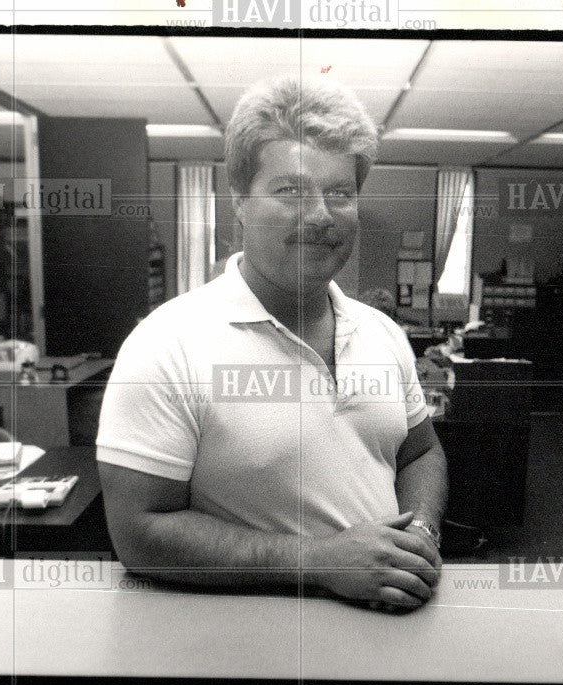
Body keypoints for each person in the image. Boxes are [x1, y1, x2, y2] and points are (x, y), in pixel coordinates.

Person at [96, 76, 447, 611]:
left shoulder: (382, 333)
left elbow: (420, 451)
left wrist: (420, 532)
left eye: (340, 193)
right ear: (240, 202)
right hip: (249, 653)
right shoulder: (167, 344)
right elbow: (138, 532)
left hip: (389, 632)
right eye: (291, 191)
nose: (321, 215)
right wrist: (322, 562)